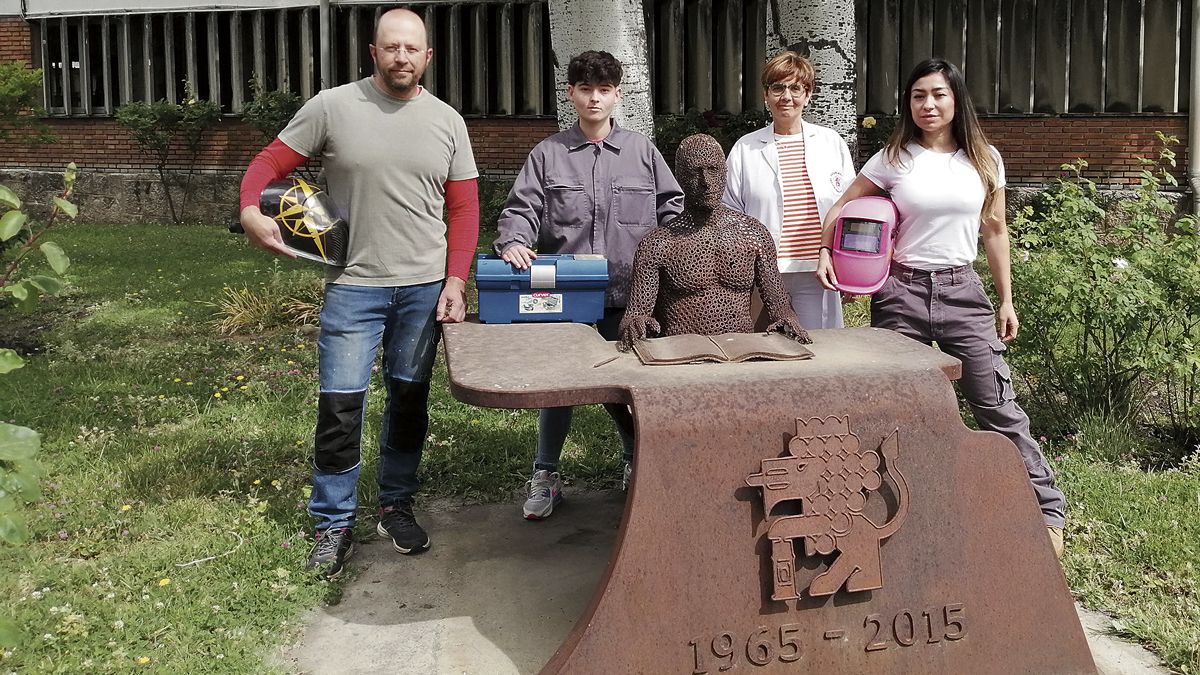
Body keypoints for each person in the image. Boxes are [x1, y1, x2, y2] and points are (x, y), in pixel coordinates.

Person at [237, 8, 480, 577]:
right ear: (373, 52)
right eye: (391, 47)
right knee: (340, 409)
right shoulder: (332, 106)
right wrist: (251, 208)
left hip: (423, 288)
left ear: (427, 57)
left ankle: (396, 504)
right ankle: (333, 523)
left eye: (411, 49)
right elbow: (270, 163)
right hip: (353, 288)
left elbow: (465, 209)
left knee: (408, 404)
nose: (401, 57)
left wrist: (456, 279)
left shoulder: (448, 122)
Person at [815, 58, 1067, 557]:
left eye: (938, 95)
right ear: (907, 104)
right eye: (917, 96)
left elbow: (994, 230)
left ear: (956, 100)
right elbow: (842, 206)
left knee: (995, 404)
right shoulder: (892, 157)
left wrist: (1006, 300)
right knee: (894, 410)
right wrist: (827, 251)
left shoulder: (985, 159)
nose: (928, 105)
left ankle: (1046, 514)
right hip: (901, 294)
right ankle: (893, 518)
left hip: (962, 295)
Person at [493, 50, 684, 520]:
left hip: (631, 297)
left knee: (629, 387)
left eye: (603, 90)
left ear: (618, 95)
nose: (594, 99)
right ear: (571, 94)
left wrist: (678, 258)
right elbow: (521, 210)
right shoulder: (548, 154)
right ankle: (546, 474)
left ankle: (633, 462)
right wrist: (515, 240)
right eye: (585, 89)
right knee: (560, 388)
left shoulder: (642, 152)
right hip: (566, 297)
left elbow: (673, 211)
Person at [618, 133, 811, 346]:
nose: (706, 183)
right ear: (680, 177)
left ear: (725, 173)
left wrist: (787, 319)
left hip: (740, 350)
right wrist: (637, 324)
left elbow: (780, 304)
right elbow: (634, 314)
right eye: (695, 173)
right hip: (683, 353)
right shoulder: (658, 244)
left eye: (713, 170)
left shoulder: (753, 235)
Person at [723, 51, 855, 330]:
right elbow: (729, 214)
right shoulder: (745, 149)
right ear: (766, 95)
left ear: (808, 95)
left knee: (819, 353)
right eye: (778, 88)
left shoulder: (831, 143)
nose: (787, 96)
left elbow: (849, 208)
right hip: (762, 274)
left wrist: (848, 265)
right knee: (765, 355)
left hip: (817, 271)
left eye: (796, 88)